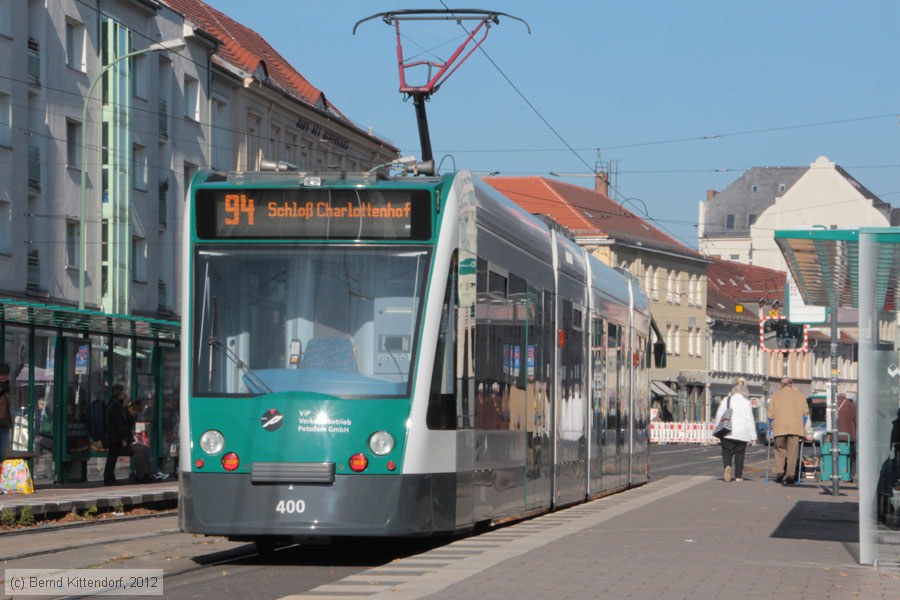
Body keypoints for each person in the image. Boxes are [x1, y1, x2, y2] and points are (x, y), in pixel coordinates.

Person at [767, 377, 810, 485]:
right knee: (792, 452)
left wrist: (771, 426)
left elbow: (770, 414)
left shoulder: (776, 395)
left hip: (779, 427)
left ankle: (780, 471)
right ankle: (790, 475)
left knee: (779, 450)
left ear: (781, 385)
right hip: (795, 428)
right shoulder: (799, 395)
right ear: (791, 384)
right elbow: (805, 412)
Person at [715, 380, 757, 482]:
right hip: (742, 433)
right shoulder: (747, 403)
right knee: (740, 454)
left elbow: (719, 416)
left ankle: (727, 466)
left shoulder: (726, 400)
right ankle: (738, 476)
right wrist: (753, 437)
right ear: (745, 392)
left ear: (733, 391)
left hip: (727, 431)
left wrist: (717, 429)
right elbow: (750, 420)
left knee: (726, 452)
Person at [104, 384, 130, 486]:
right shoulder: (116, 406)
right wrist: (123, 437)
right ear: (119, 394)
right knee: (112, 458)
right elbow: (119, 423)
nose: (125, 394)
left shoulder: (113, 404)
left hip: (112, 436)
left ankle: (109, 477)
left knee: (112, 458)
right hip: (114, 437)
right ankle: (109, 478)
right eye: (123, 392)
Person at [837, 392, 858, 479]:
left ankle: (836, 473)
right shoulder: (852, 406)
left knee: (836, 455)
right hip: (849, 437)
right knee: (848, 456)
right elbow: (856, 420)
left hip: (835, 437)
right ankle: (847, 475)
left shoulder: (834, 405)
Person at [0, 363, 11, 462]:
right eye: (1, 374)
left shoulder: (6, 387)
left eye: (5, 374)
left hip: (5, 422)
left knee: (3, 452)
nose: (3, 376)